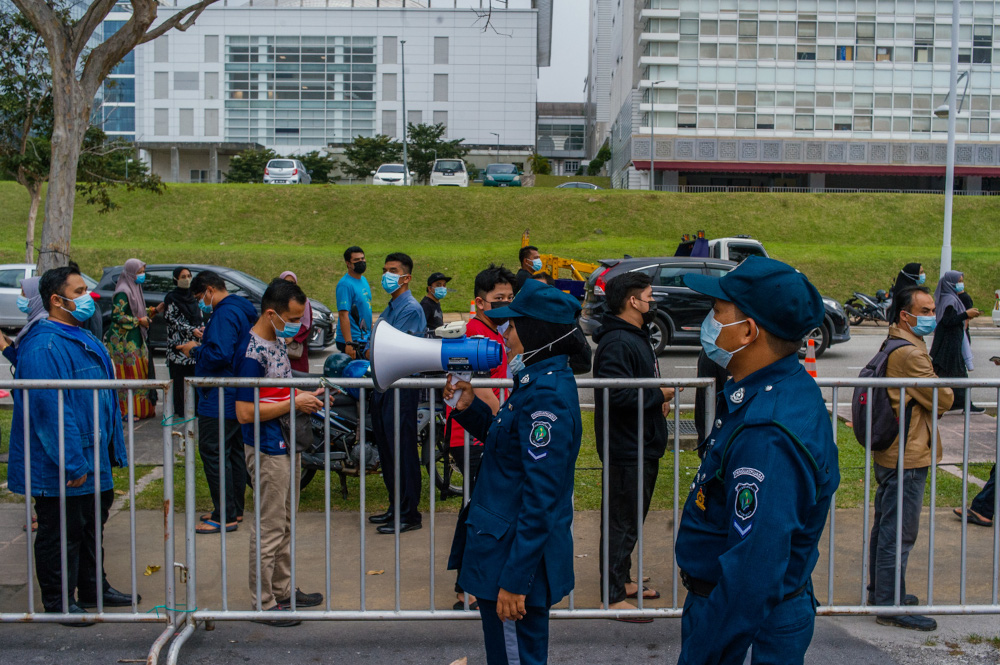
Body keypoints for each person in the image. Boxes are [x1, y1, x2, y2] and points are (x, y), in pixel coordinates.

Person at [673, 256, 840, 664]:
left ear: (748, 331)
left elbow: (752, 574)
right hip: (747, 612)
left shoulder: (767, 434)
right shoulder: (776, 388)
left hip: (745, 624)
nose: (709, 323)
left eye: (717, 312)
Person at [444, 278, 588, 665]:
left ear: (535, 330)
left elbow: (542, 497)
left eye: (511, 324)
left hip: (512, 562)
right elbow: (505, 445)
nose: (504, 333)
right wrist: (468, 407)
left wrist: (514, 580)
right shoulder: (535, 385)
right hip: (506, 553)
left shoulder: (546, 397)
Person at [7, 265, 138, 620]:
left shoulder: (80, 335)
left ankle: (95, 588)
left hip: (93, 455)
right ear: (56, 299)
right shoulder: (44, 345)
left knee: (90, 528)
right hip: (65, 465)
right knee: (61, 533)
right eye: (79, 291)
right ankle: (59, 602)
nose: (88, 297)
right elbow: (51, 411)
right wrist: (73, 461)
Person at [235, 278, 325, 626]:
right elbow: (245, 412)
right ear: (271, 313)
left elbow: (276, 395)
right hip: (267, 447)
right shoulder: (251, 353)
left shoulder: (273, 341)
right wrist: (294, 402)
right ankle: (263, 602)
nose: (296, 326)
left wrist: (307, 397)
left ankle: (283, 592)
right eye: (292, 318)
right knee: (270, 526)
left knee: (285, 523)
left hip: (286, 442)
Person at [868, 286, 954, 631]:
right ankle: (889, 605)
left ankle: (883, 593)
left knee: (887, 526)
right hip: (907, 453)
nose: (933, 315)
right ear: (906, 315)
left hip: (894, 450)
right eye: (927, 310)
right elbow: (944, 398)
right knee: (899, 532)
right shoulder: (911, 354)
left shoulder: (895, 342)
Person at [592, 272, 673, 614]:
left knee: (629, 520)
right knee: (621, 522)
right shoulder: (618, 342)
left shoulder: (633, 337)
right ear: (632, 301)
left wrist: (655, 398)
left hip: (641, 443)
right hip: (627, 447)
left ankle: (622, 580)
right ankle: (612, 595)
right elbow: (616, 395)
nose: (652, 303)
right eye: (649, 296)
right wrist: (659, 394)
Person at [448, 263, 514, 610]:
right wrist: (508, 422)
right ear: (480, 302)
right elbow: (486, 393)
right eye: (497, 298)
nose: (504, 303)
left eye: (509, 297)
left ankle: (466, 584)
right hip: (474, 435)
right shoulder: (478, 337)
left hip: (477, 434)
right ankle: (468, 589)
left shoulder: (490, 332)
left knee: (476, 509)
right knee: (482, 513)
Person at [186, 271, 258, 534]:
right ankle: (234, 510)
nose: (201, 303)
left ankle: (224, 515)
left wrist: (194, 348)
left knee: (214, 453)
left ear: (209, 290)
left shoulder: (225, 313)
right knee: (234, 453)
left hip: (220, 394)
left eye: (199, 297)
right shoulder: (241, 307)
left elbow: (219, 353)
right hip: (235, 392)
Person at [368, 253, 427, 534]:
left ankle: (409, 513)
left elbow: (395, 350)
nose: (386, 275)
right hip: (384, 386)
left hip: (401, 389)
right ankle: (396, 507)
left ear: (407, 277)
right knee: (388, 451)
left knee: (402, 451)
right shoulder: (392, 307)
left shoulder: (411, 309)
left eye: (393, 270)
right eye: (385, 270)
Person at [104, 258, 163, 420]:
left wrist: (154, 311)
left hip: (135, 339)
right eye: (139, 272)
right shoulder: (123, 291)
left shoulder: (134, 288)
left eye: (143, 272)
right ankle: (127, 412)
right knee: (128, 375)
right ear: (130, 273)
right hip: (123, 342)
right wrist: (139, 321)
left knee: (139, 373)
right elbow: (118, 316)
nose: (142, 275)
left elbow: (136, 311)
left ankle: (142, 409)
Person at [930, 271, 983, 413]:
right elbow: (948, 321)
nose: (961, 284)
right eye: (958, 281)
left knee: (947, 374)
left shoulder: (948, 298)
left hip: (948, 344)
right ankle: (965, 404)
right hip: (949, 346)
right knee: (957, 375)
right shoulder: (950, 300)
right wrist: (966, 314)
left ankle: (957, 403)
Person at [164, 267, 203, 420]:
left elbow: (199, 317)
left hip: (193, 345)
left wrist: (200, 329)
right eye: (183, 276)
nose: (187, 279)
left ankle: (194, 408)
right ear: (175, 279)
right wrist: (191, 330)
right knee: (179, 380)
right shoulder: (171, 298)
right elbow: (171, 319)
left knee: (193, 377)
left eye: (189, 276)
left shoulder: (193, 297)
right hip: (177, 347)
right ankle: (180, 409)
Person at [335, 246, 373, 359]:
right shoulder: (345, 285)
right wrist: (348, 343)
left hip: (364, 338)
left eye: (362, 259)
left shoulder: (363, 280)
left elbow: (367, 309)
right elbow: (343, 315)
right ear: (348, 263)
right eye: (356, 260)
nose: (361, 262)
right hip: (353, 341)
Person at [0, 276, 45, 367]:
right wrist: (10, 343)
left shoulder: (41, 327)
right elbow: (24, 353)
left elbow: (25, 366)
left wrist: (4, 346)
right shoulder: (35, 321)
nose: (20, 297)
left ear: (37, 298)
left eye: (24, 294)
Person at [278, 271, 312, 373]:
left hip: (294, 347)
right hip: (278, 344)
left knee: (298, 375)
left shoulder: (303, 301)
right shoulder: (276, 300)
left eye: (292, 282)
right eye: (286, 282)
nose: (289, 286)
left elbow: (306, 324)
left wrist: (292, 336)